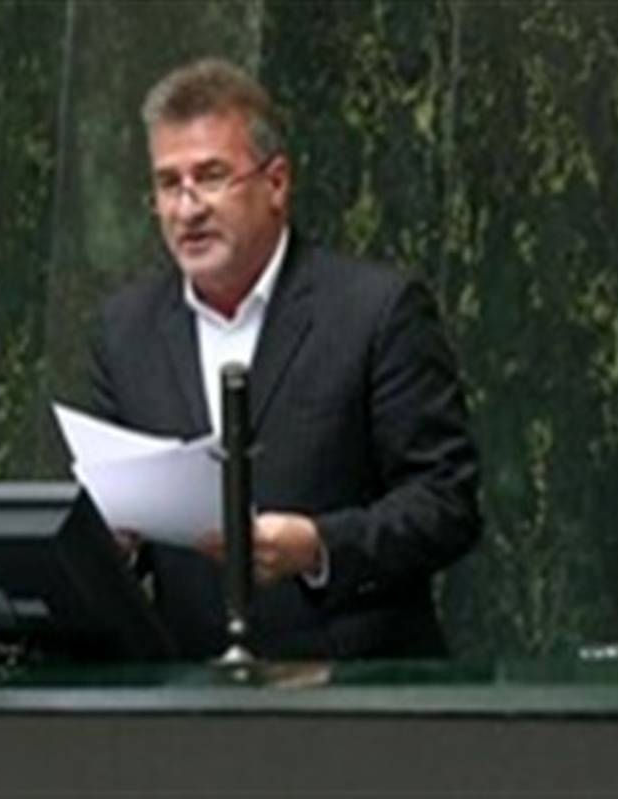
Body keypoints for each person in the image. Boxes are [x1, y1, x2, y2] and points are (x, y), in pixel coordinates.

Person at [87, 57, 480, 659]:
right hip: (186, 689)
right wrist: (111, 543)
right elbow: (112, 516)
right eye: (169, 184)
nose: (187, 209)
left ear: (275, 183)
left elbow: (446, 502)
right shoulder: (125, 331)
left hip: (348, 687)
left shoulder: (375, 311)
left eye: (211, 177)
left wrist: (318, 547)